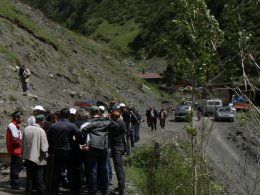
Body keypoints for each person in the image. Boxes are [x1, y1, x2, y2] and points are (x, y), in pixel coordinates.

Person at [47, 108, 79, 194]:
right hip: (68, 151)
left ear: (60, 115)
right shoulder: (72, 126)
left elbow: (48, 137)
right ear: (68, 115)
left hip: (57, 150)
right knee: (71, 171)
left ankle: (54, 190)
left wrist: (53, 145)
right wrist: (75, 144)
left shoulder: (54, 126)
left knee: (56, 171)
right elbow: (79, 135)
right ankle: (73, 190)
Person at [22, 115, 49, 195]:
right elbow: (44, 147)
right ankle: (41, 193)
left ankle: (28, 192)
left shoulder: (26, 129)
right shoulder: (41, 131)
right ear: (42, 122)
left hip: (28, 157)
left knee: (29, 177)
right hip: (38, 158)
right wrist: (46, 156)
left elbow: (22, 144)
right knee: (39, 178)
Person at [109, 110, 127, 195]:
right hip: (122, 146)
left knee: (118, 168)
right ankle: (121, 186)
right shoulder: (122, 123)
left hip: (116, 147)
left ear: (115, 117)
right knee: (119, 167)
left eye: (112, 116)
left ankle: (121, 187)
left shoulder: (116, 125)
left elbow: (110, 132)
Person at [5, 111, 23, 189]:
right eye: (21, 117)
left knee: (15, 167)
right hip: (15, 150)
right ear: (16, 118)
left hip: (16, 150)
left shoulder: (15, 126)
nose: (22, 119)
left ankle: (14, 183)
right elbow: (15, 140)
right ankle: (15, 184)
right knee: (16, 168)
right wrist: (22, 142)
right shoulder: (12, 126)